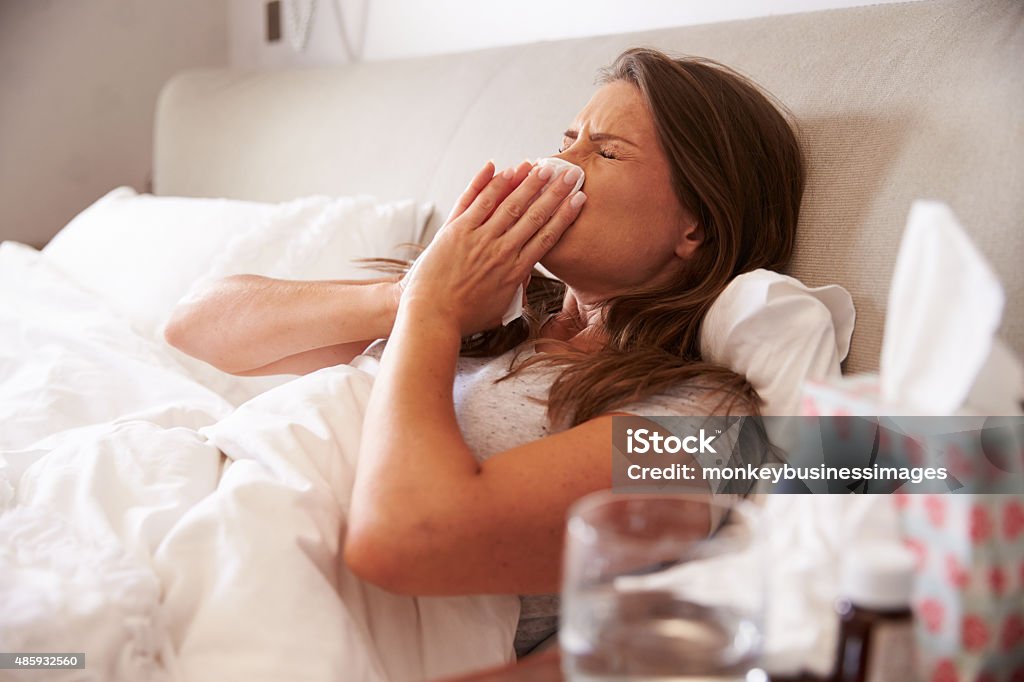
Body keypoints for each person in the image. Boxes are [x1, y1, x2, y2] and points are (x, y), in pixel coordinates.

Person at [164, 47, 805, 657]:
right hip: (185, 503)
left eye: (607, 152)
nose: (559, 166)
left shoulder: (703, 423)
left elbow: (405, 542)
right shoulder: (486, 307)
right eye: (565, 142)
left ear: (695, 225)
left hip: (281, 584)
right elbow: (196, 324)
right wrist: (411, 296)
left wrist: (432, 314)